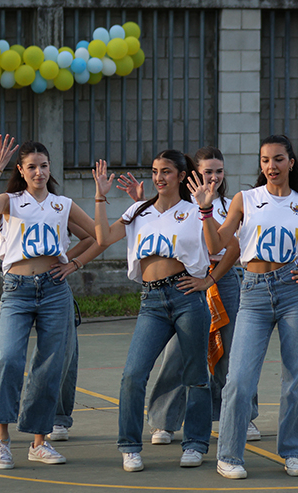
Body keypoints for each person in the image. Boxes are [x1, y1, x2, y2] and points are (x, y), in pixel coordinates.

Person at [190, 135, 298, 480]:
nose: (271, 166)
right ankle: (229, 454)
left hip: (293, 292)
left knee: (296, 377)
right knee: (239, 379)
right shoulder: (246, 199)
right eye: (265, 160)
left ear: (291, 163)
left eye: (278, 159)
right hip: (252, 291)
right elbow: (216, 243)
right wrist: (205, 209)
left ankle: (294, 452)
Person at [125, 147, 262, 444]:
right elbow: (158, 225)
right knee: (177, 355)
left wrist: (212, 278)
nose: (213, 176)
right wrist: (141, 204)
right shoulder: (185, 205)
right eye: (207, 171)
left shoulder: (230, 204)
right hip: (186, 280)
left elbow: (233, 246)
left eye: (219, 171)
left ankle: (242, 416)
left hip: (222, 280)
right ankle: (164, 420)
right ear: (193, 173)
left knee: (230, 352)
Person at [0, 157, 104, 445]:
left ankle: (57, 418)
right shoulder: (9, 202)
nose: (39, 172)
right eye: (32, 166)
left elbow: (96, 237)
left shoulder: (60, 205)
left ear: (50, 168)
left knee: (60, 357)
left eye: (44, 165)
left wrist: (73, 262)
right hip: (17, 288)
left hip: (53, 286)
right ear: (21, 171)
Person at [93, 150, 216, 472]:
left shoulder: (195, 210)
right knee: (133, 374)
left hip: (187, 296)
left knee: (196, 376)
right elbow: (104, 237)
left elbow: (221, 248)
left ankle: (195, 443)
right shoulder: (138, 210)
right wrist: (100, 198)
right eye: (155, 171)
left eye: (166, 172)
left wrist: (209, 280)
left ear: (180, 176)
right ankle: (130, 446)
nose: (159, 177)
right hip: (151, 301)